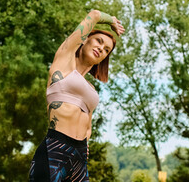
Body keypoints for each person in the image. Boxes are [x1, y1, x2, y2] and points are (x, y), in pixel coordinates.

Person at [29, 10, 125, 181]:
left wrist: (84, 143)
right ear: (85, 39)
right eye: (99, 41)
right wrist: (111, 21)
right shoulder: (64, 63)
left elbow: (88, 124)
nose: (101, 49)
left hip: (79, 157)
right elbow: (94, 15)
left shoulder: (90, 88)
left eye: (106, 50)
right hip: (55, 149)